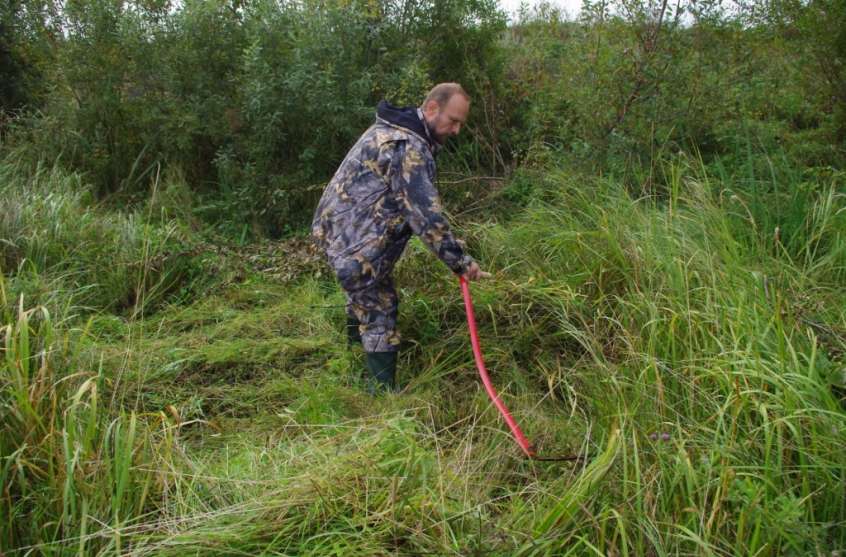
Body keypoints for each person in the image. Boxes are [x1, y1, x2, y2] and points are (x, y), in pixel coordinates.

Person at [311, 82, 490, 392]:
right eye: (453, 121)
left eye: (460, 123)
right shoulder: (409, 148)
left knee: (363, 294)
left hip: (336, 232)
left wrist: (449, 247)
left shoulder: (391, 130)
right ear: (432, 108)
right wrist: (462, 263)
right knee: (380, 306)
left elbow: (404, 206)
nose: (456, 130)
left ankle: (353, 361)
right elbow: (426, 218)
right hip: (354, 243)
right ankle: (381, 396)